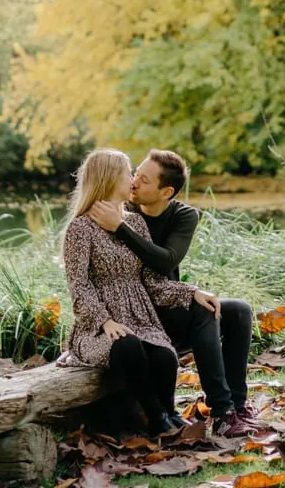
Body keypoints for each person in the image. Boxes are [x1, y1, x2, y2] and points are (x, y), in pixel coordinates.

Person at [89, 148, 255, 438]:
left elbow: (166, 260)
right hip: (138, 313)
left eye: (144, 179)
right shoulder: (120, 213)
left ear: (166, 192)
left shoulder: (182, 215)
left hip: (169, 301)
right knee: (204, 311)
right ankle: (222, 409)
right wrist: (117, 224)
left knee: (238, 310)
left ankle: (236, 408)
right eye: (135, 174)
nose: (134, 183)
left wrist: (121, 229)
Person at [60, 147, 204, 437]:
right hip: (96, 328)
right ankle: (156, 419)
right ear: (111, 178)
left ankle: (170, 413)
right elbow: (79, 287)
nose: (134, 180)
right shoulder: (80, 228)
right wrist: (104, 321)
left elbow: (152, 281)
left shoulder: (134, 222)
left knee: (164, 355)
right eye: (129, 173)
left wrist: (190, 292)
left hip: (139, 319)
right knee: (127, 345)